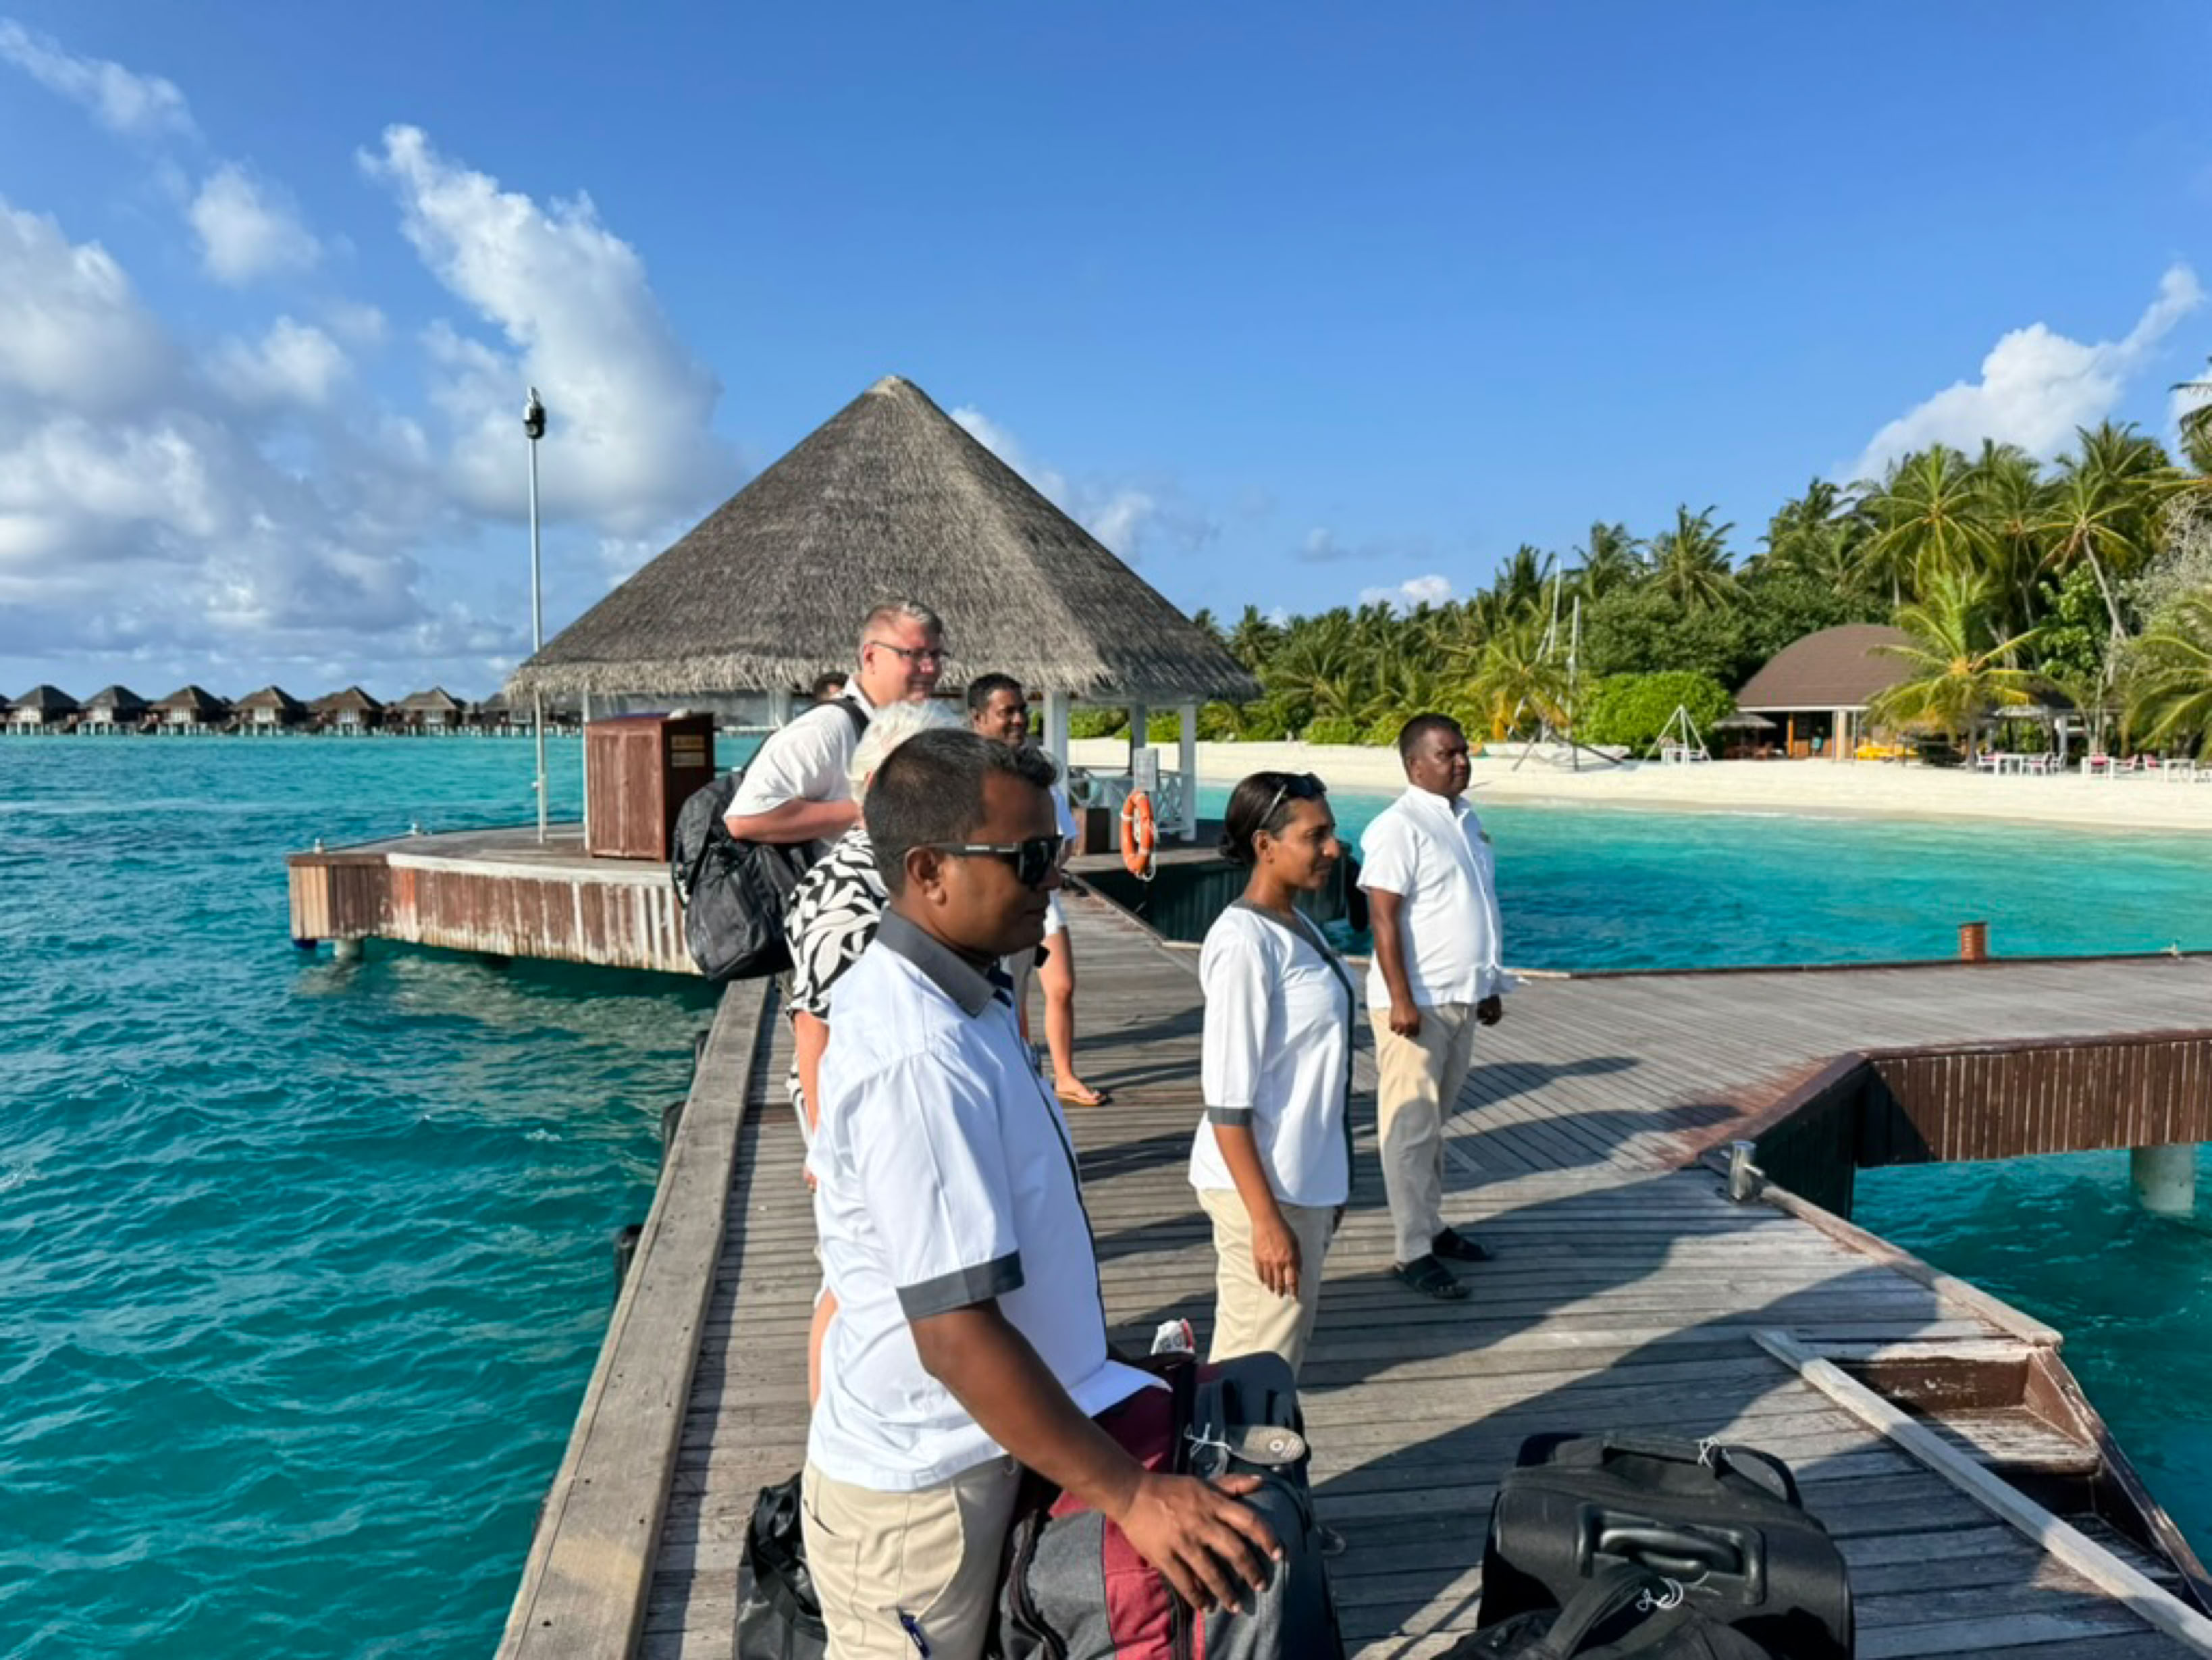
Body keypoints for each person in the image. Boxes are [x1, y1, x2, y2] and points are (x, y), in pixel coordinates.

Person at [805, 729, 1278, 1660]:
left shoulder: (969, 997)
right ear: (929, 870)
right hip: (922, 1492)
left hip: (990, 1444)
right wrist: (1133, 1494)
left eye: (1054, 850)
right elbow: (954, 1333)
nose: (1054, 877)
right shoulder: (918, 1054)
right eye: (1027, 858)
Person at [782, 699, 964, 1405]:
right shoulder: (851, 888)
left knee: (867, 1276)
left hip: (881, 1104)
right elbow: (815, 1026)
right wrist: (827, 1149)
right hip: (860, 1117)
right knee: (856, 1281)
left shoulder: (882, 870)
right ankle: (831, 1427)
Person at [1190, 771, 1351, 1376]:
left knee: (1274, 1361)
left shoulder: (1297, 925)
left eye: (1331, 833)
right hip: (1264, 1189)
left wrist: (1331, 1187)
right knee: (1254, 1370)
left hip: (1300, 1181)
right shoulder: (1244, 943)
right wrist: (1265, 1222)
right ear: (1265, 845)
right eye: (1316, 836)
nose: (1333, 849)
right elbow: (1227, 1102)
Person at [1359, 714, 1511, 1302]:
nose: (1462, 762)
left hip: (1460, 996)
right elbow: (1382, 916)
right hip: (1416, 1003)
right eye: (1447, 754)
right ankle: (1411, 1250)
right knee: (1410, 1128)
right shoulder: (1399, 826)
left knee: (1433, 1125)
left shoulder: (1466, 821)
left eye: (1464, 751)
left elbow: (1476, 908)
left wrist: (1488, 985)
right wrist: (1400, 997)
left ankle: (1430, 1225)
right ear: (1414, 765)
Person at [965, 673, 1109, 1106]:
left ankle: (1063, 1075)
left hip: (1039, 898)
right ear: (978, 718)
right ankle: (1022, 1073)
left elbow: (1065, 839)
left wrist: (1041, 868)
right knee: (1011, 994)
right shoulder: (966, 776)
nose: (1019, 719)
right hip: (990, 904)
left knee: (1060, 985)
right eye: (1006, 712)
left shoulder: (1036, 774)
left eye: (1022, 710)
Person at [724, 600, 946, 847]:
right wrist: (865, 810)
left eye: (935, 655)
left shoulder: (925, 725)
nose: (930, 668)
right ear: (870, 657)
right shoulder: (826, 730)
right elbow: (745, 818)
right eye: (914, 654)